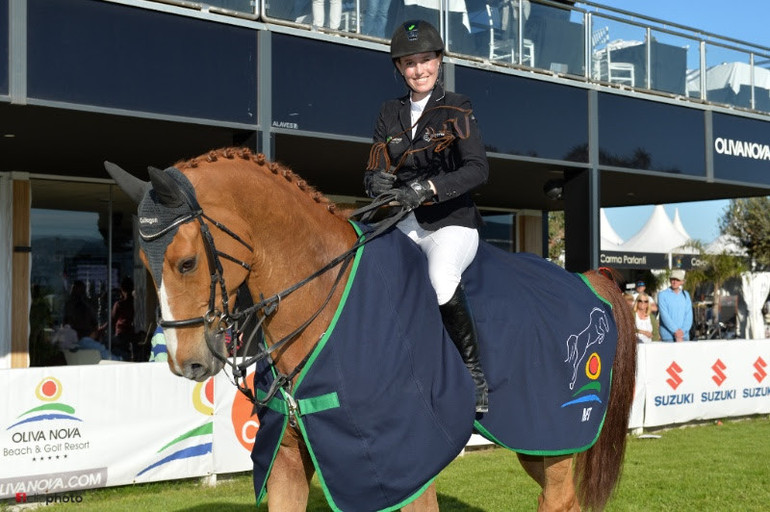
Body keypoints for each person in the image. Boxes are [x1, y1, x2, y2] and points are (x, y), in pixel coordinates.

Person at [363, 20, 489, 413]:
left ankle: (473, 374)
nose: (419, 70)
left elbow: (477, 169)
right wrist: (375, 183)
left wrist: (428, 188)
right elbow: (374, 166)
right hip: (403, 220)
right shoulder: (388, 112)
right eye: (410, 63)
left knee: (440, 277)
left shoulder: (458, 107)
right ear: (399, 68)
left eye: (426, 61)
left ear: (438, 62)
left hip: (450, 222)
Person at [657, 269, 693, 342]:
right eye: (673, 279)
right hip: (668, 336)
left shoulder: (686, 295)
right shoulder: (662, 295)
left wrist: (682, 331)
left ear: (682, 282)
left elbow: (689, 315)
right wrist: (676, 331)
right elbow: (664, 315)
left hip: (684, 335)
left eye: (677, 280)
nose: (674, 282)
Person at [109, 277, 135, 360]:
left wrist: (101, 329)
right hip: (131, 334)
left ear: (122, 289)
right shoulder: (134, 303)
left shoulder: (119, 304)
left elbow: (112, 320)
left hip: (121, 335)